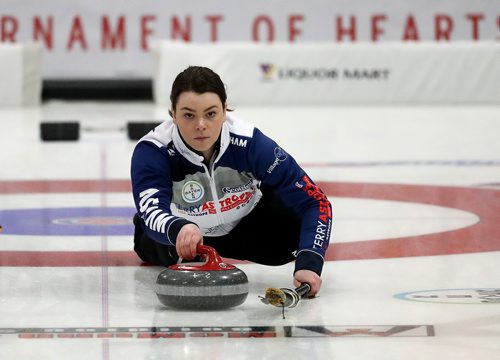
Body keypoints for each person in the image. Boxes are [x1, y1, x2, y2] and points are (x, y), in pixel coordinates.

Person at [131, 66, 332, 296]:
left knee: (290, 227)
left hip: (247, 228)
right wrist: (177, 228)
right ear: (172, 115)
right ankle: (178, 238)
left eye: (211, 113)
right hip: (180, 235)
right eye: (188, 115)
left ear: (225, 111)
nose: (200, 125)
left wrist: (310, 263)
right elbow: (152, 210)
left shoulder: (251, 145)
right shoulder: (153, 150)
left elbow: (315, 202)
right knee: (149, 238)